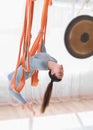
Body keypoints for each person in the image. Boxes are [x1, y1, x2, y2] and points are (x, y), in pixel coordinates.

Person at [8, 40, 64, 115]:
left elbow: (28, 59)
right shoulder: (54, 61)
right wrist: (41, 38)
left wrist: (28, 39)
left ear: (53, 72)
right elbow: (44, 54)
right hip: (29, 70)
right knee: (9, 76)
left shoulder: (41, 65)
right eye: (62, 72)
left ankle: (25, 103)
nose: (62, 71)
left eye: (60, 73)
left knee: (11, 88)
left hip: (24, 73)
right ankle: (24, 103)